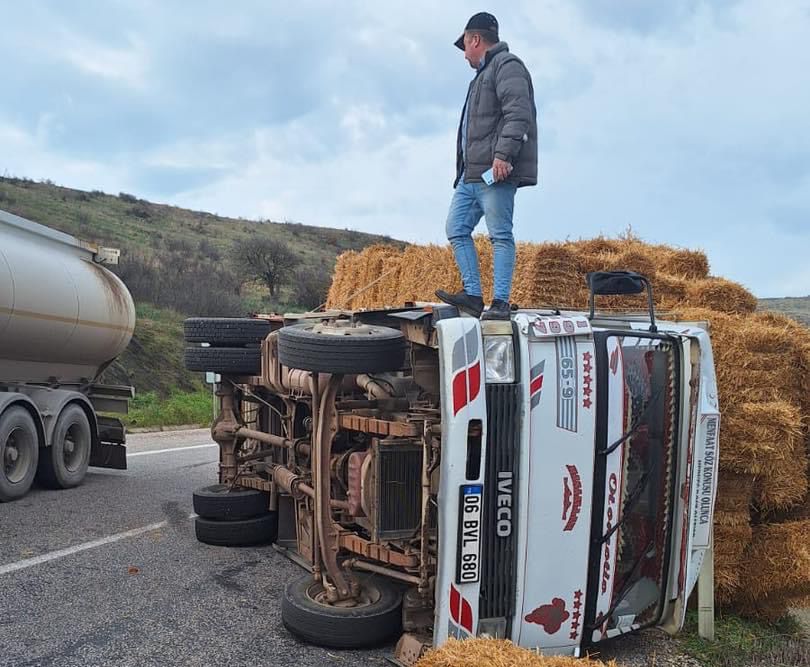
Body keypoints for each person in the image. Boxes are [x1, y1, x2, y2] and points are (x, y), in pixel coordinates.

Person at [436, 12, 538, 320]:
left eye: (464, 45)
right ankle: (473, 296)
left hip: (495, 172)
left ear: (475, 39)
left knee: (500, 235)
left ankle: (501, 303)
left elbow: (518, 114)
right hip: (471, 174)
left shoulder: (508, 67)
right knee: (456, 227)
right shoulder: (481, 76)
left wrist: (504, 155)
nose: (464, 53)